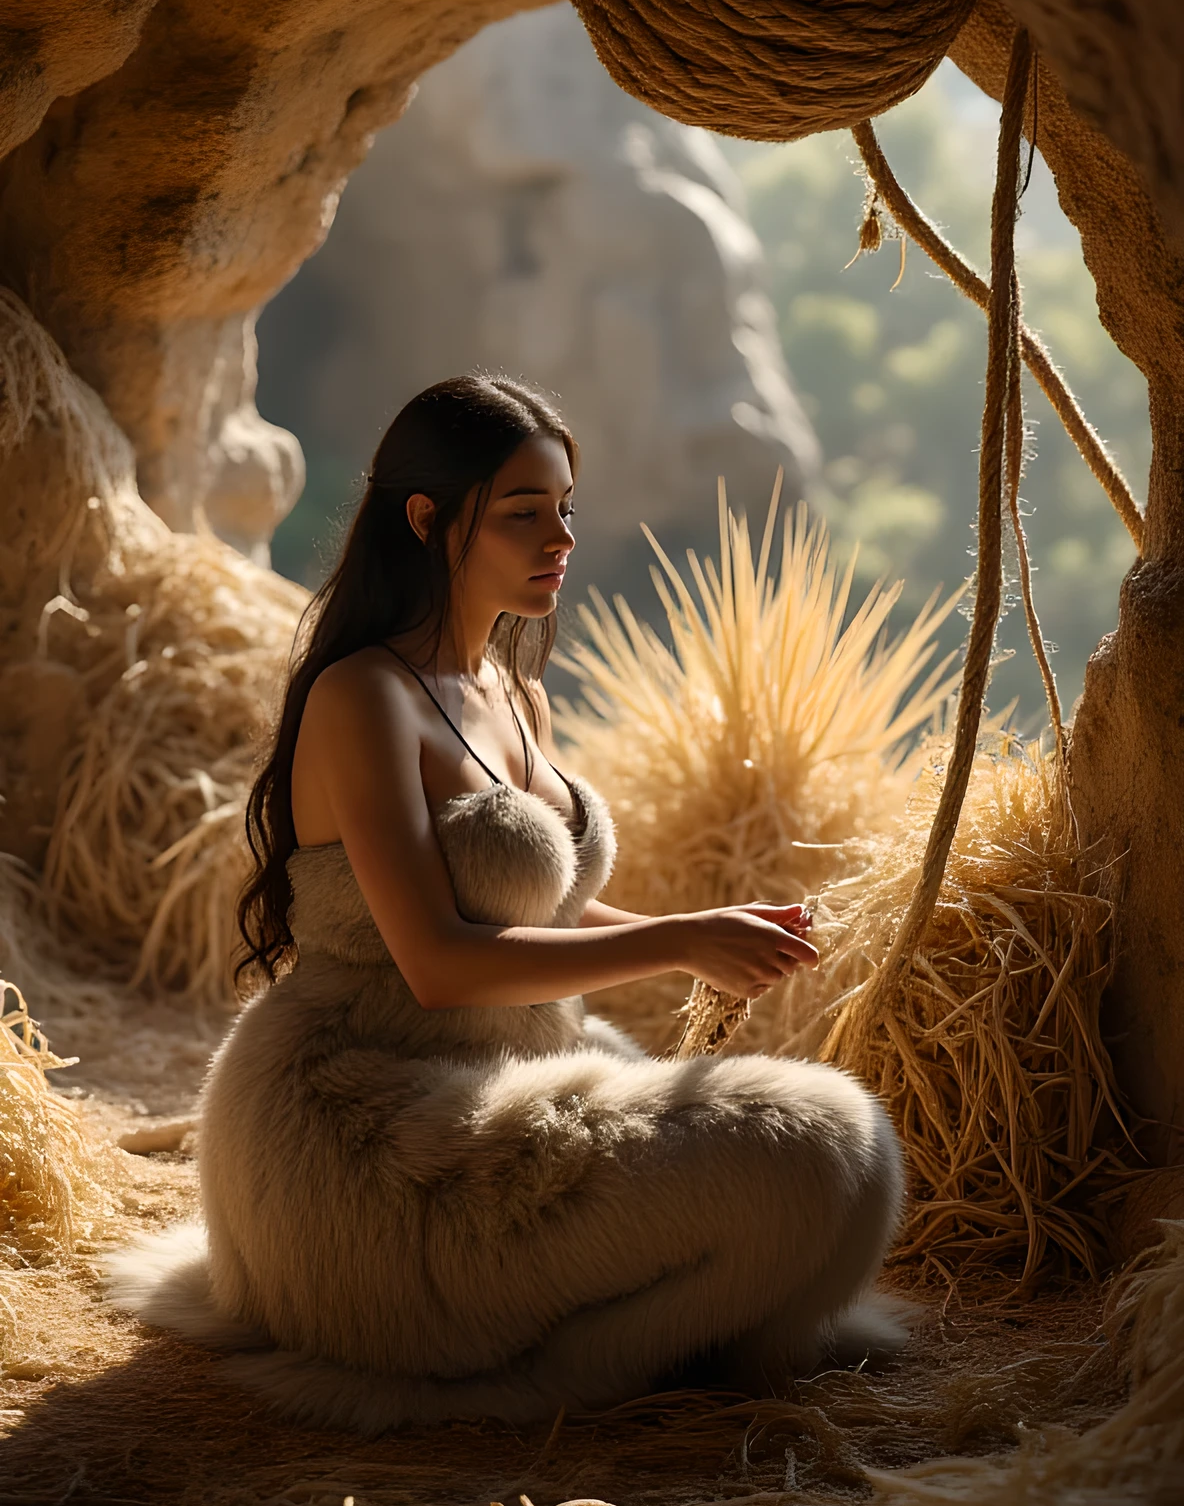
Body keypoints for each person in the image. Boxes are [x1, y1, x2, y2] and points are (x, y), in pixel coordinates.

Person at [111, 374, 906, 1432]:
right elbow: (440, 960)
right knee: (816, 1139)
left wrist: (709, 939)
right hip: (365, 1140)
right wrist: (681, 936)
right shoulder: (364, 698)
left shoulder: (512, 690)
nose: (560, 537)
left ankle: (659, 1342)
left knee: (850, 1153)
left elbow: (545, 905)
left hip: (501, 1079)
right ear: (427, 519)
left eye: (565, 507)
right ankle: (572, 1373)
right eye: (524, 512)